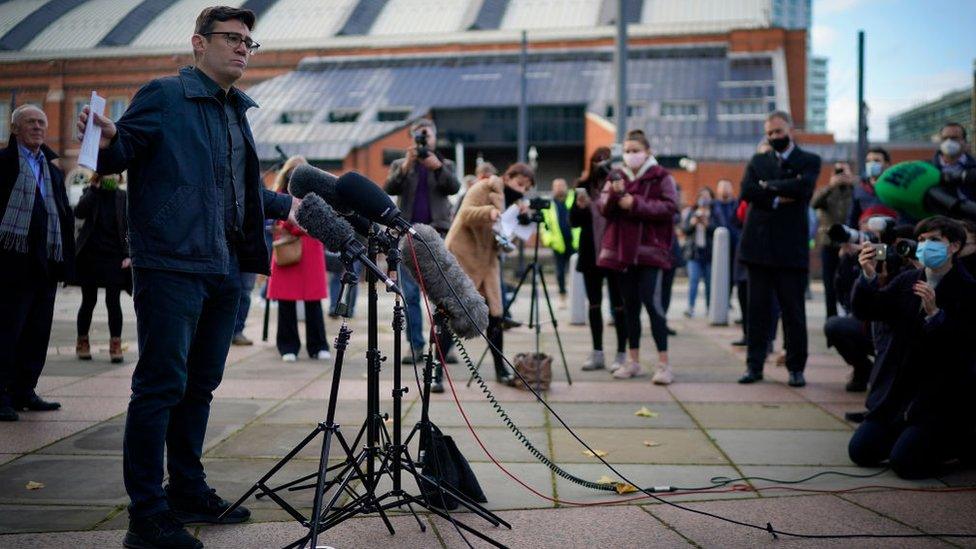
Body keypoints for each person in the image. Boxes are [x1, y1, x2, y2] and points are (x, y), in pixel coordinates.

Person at [76, 7, 301, 548]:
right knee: (160, 387)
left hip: (224, 266)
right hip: (172, 263)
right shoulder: (164, 94)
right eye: (233, 38)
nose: (244, 48)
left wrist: (298, 202)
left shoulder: (234, 111)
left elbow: (241, 191)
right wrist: (105, 142)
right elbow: (116, 156)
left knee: (200, 386)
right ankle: (147, 515)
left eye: (250, 41)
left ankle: (188, 490)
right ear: (199, 43)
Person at [849, 216, 976, 479]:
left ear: (953, 246)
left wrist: (935, 316)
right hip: (899, 394)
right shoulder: (908, 280)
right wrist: (868, 275)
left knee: (905, 464)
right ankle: (904, 434)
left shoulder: (967, 289)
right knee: (861, 451)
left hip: (938, 398)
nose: (925, 246)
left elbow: (962, 349)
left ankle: (959, 443)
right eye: (921, 240)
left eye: (934, 240)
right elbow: (868, 309)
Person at [0, 104, 76, 422]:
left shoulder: (53, 169)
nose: (38, 127)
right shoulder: (3, 164)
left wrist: (66, 261)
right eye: (30, 122)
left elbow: (62, 213)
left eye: (41, 123)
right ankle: (1, 394)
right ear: (14, 128)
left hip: (45, 262)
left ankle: (24, 390)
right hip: (10, 262)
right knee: (7, 331)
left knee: (37, 331)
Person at [738, 111, 821, 387]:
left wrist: (768, 187)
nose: (775, 137)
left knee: (793, 312)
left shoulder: (809, 160)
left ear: (791, 129)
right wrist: (780, 193)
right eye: (770, 133)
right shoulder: (758, 160)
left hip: (791, 251)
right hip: (758, 248)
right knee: (757, 311)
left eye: (779, 131)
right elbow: (748, 191)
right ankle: (754, 366)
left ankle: (796, 368)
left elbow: (804, 188)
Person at [597, 129, 678, 384]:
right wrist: (614, 194)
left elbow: (670, 207)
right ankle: (633, 361)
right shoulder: (616, 176)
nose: (631, 155)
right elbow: (603, 208)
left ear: (647, 152)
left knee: (653, 307)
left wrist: (636, 203)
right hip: (622, 252)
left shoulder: (661, 176)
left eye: (635, 150)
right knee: (629, 308)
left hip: (649, 252)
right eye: (627, 151)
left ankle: (663, 364)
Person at [384, 119, 460, 364]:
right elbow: (389, 186)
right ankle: (415, 346)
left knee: (440, 293)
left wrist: (436, 167)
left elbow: (453, 187)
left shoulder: (445, 164)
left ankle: (442, 346)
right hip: (407, 234)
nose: (423, 138)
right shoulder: (401, 164)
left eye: (427, 134)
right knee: (411, 295)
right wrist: (407, 165)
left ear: (435, 137)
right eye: (419, 134)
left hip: (437, 234)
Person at [446, 174, 516, 388]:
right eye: (520, 183)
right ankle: (437, 370)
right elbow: (465, 214)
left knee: (495, 315)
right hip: (464, 257)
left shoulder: (512, 201)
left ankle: (500, 369)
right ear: (510, 177)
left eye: (528, 186)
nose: (522, 189)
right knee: (451, 313)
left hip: (488, 261)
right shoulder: (482, 189)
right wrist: (490, 212)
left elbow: (503, 232)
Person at [267, 156, 330, 362]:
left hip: (310, 250)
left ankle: (318, 345)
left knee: (313, 302)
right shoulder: (279, 195)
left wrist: (290, 224)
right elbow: (277, 220)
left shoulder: (315, 195)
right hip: (287, 248)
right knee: (286, 301)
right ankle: (287, 346)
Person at [570, 147, 627, 371]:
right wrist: (579, 206)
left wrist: (617, 186)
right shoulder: (584, 186)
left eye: (606, 161)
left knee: (619, 305)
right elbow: (573, 221)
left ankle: (622, 353)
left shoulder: (619, 184)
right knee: (594, 304)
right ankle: (597, 352)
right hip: (591, 252)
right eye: (598, 161)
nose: (602, 165)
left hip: (614, 252)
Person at [73, 172, 131, 363]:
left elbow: (130, 226)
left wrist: (129, 255)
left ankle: (115, 344)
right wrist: (94, 189)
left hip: (115, 257)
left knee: (113, 302)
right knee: (88, 301)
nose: (111, 177)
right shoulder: (90, 192)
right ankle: (82, 342)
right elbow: (79, 212)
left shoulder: (123, 197)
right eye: (107, 173)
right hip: (91, 255)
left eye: (115, 173)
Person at [811, 160, 856, 318]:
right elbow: (814, 203)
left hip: (850, 244)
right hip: (829, 244)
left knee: (850, 282)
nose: (841, 175)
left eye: (844, 172)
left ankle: (850, 316)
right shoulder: (826, 191)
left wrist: (852, 183)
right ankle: (831, 319)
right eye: (838, 172)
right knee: (829, 285)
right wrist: (831, 186)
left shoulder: (855, 191)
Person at [541, 178, 579, 306]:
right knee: (560, 272)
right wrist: (549, 240)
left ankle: (578, 296)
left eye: (561, 185)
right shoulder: (549, 204)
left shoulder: (574, 198)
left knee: (577, 272)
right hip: (558, 244)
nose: (559, 188)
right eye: (556, 186)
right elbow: (544, 225)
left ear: (566, 186)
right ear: (553, 188)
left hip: (575, 242)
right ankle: (562, 295)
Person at [681, 187, 718, 317]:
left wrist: (707, 224)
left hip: (710, 254)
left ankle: (710, 308)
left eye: (707, 196)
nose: (704, 199)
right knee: (693, 280)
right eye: (701, 196)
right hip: (694, 253)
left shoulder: (714, 213)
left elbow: (719, 231)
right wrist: (693, 223)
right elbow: (684, 229)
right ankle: (690, 307)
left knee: (710, 282)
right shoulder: (692, 212)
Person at [848, 147, 891, 227]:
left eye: (876, 161)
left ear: (887, 164)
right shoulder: (859, 190)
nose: (872, 164)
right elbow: (852, 220)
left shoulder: (895, 189)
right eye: (868, 161)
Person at [932, 122, 976, 199]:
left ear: (964, 141)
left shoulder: (974, 167)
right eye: (945, 138)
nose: (949, 142)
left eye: (954, 138)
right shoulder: (928, 169)